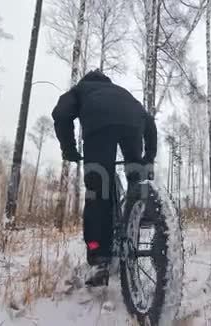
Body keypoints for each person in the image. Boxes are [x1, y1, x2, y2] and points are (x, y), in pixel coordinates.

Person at [52, 69, 157, 287]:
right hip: (132, 124)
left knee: (98, 191)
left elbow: (61, 114)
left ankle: (99, 255)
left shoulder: (81, 89)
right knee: (136, 174)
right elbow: (149, 122)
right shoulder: (122, 92)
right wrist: (148, 158)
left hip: (98, 126)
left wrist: (69, 150)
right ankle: (142, 209)